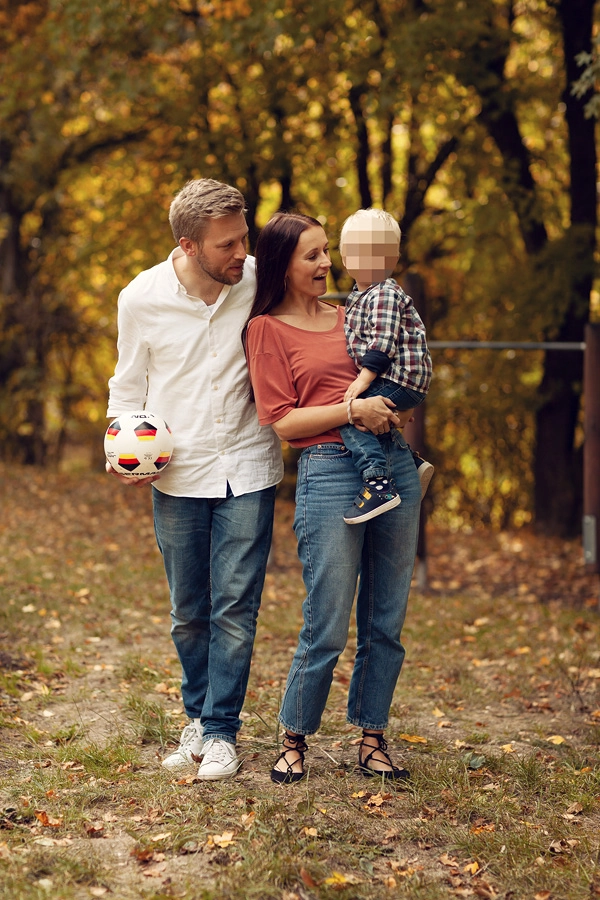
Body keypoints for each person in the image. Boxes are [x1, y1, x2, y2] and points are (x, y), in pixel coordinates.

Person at [106, 179, 283, 781]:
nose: (241, 252)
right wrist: (122, 447)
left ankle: (221, 730)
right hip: (176, 473)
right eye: (227, 244)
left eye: (243, 237)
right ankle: (197, 718)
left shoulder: (261, 280)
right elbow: (128, 386)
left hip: (250, 464)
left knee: (236, 606)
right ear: (189, 245)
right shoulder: (141, 297)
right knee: (189, 610)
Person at [244, 211, 421, 785]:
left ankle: (373, 738)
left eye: (328, 252)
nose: (327, 264)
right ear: (283, 265)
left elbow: (398, 365)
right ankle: (294, 737)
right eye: (313, 255)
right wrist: (352, 410)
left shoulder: (354, 316)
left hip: (391, 462)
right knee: (327, 621)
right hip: (330, 473)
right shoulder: (266, 330)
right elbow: (284, 421)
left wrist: (391, 409)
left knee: (386, 618)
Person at [338, 208, 434, 524]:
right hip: (394, 375)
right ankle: (408, 462)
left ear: (391, 259)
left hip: (399, 376)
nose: (363, 259)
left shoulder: (384, 293)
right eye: (354, 250)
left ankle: (378, 481)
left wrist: (362, 381)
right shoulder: (359, 294)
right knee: (371, 419)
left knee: (352, 415)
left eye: (375, 253)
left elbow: (383, 343)